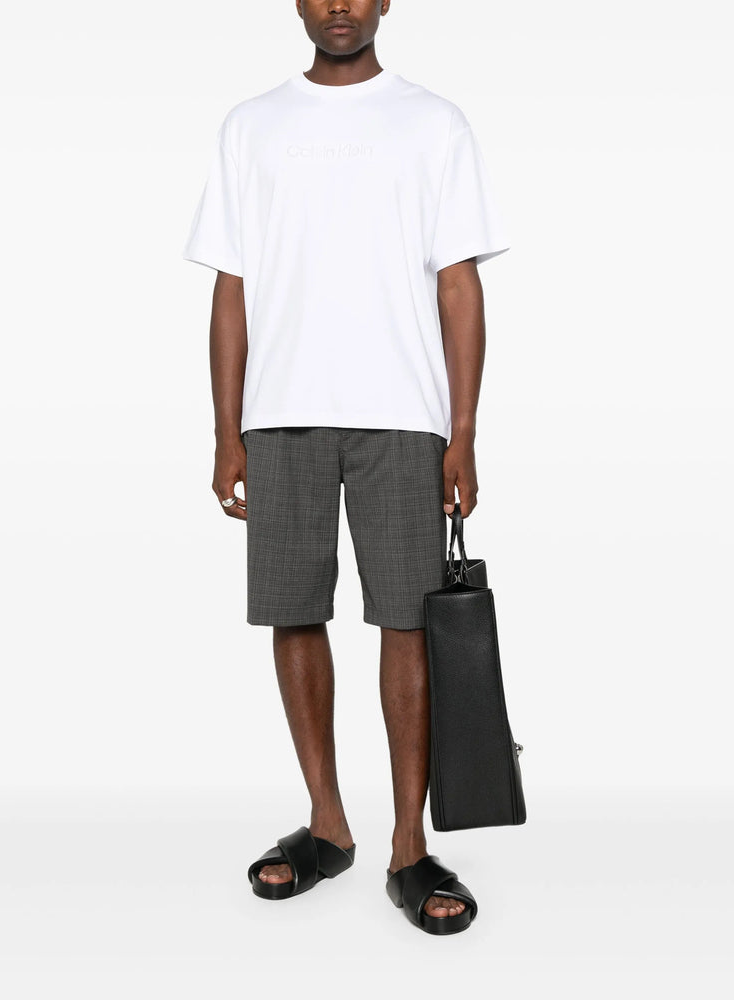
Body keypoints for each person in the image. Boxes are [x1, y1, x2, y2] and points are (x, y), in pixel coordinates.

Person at [182, 1, 509, 935]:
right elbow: (232, 286)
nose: (339, 5)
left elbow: (459, 283)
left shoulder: (433, 122)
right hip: (281, 413)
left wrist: (462, 431)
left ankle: (409, 845)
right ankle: (327, 825)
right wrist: (227, 432)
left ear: (385, 1)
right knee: (294, 610)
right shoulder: (251, 125)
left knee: (407, 620)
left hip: (402, 414)